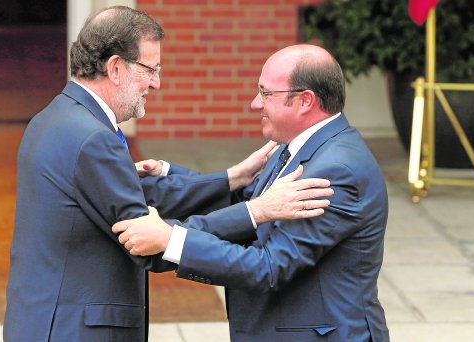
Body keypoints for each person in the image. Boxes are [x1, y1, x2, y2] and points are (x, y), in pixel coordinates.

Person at [3, 7, 334, 342]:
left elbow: (145, 197)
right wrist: (256, 211)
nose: (157, 83)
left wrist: (232, 178)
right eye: (151, 69)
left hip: (43, 319)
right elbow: (148, 242)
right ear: (116, 68)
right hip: (74, 330)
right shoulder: (94, 139)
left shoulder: (56, 117)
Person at [113, 44, 390, 342]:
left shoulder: (335, 171)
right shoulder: (294, 146)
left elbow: (268, 266)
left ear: (305, 101)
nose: (254, 104)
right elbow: (251, 204)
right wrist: (171, 175)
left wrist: (172, 239)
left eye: (266, 93)